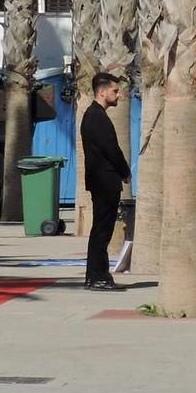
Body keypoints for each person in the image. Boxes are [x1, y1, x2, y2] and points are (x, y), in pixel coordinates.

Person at [78, 71, 129, 290]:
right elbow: (111, 149)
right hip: (104, 179)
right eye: (115, 91)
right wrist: (124, 171)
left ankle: (96, 275)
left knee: (102, 229)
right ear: (101, 91)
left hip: (103, 179)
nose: (118, 95)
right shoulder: (96, 116)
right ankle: (97, 276)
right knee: (102, 229)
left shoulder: (95, 115)